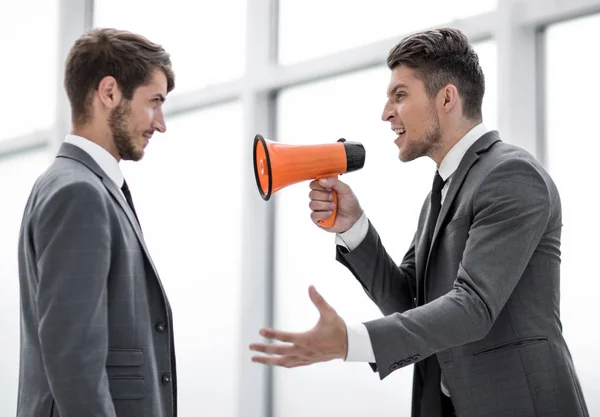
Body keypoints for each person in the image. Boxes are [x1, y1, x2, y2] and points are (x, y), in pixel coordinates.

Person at [249, 27, 589, 417]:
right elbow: (408, 302)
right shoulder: (439, 195)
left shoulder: (511, 175)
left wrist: (350, 341)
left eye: (400, 95)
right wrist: (353, 227)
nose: (386, 113)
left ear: (447, 98)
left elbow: (473, 307)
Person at [17, 28, 178, 417]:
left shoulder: (80, 185)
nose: (160, 123)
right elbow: (73, 358)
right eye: (153, 102)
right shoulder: (79, 193)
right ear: (109, 93)